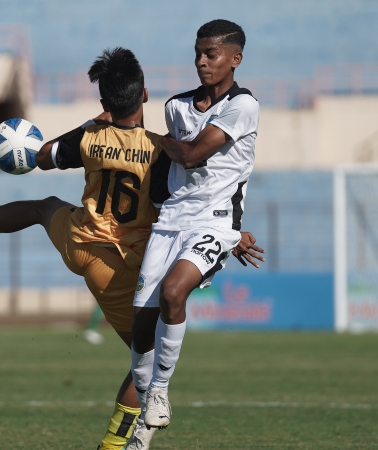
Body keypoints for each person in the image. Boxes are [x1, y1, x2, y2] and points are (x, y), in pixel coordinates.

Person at [0, 48, 263, 450]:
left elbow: (42, 156)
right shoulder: (161, 151)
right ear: (144, 95)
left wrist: (93, 122)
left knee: (42, 208)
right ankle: (113, 445)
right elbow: (181, 204)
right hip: (121, 265)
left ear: (104, 101)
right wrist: (231, 232)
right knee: (146, 361)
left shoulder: (91, 137)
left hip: (78, 239)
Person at [126, 19, 262, 449]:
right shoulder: (176, 107)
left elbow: (191, 154)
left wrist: (146, 136)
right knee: (141, 325)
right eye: (198, 53)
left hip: (215, 221)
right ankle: (145, 420)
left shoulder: (243, 106)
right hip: (171, 221)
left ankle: (160, 391)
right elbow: (169, 171)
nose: (202, 61)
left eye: (212, 54)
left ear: (235, 59)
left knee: (173, 293)